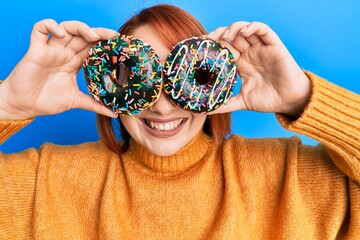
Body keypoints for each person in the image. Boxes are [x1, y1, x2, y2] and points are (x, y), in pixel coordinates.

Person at [0, 3, 359, 239]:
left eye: (188, 78)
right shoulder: (43, 182)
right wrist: (9, 104)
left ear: (215, 80)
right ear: (108, 82)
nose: (162, 106)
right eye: (134, 76)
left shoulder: (290, 175)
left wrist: (301, 98)